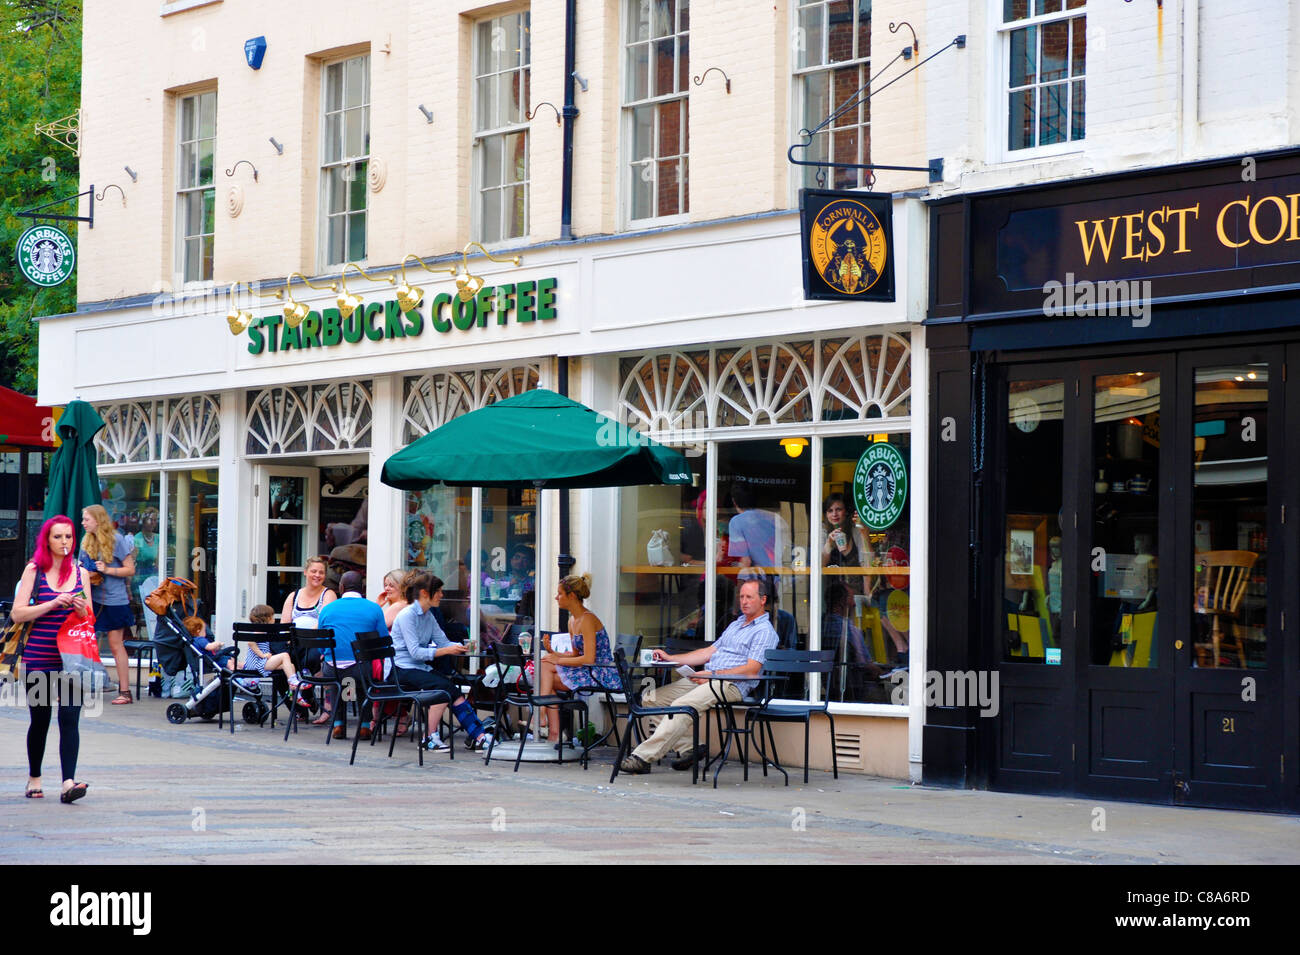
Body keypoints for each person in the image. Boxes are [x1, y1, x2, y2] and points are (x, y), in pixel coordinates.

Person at [619, 578, 779, 775]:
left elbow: (751, 670)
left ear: (762, 600)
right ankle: (689, 748)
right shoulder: (737, 624)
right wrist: (672, 658)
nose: (744, 601)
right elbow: (708, 652)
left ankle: (643, 757)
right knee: (651, 698)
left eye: (749, 597)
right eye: (741, 597)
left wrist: (712, 675)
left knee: (684, 703)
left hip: (731, 684)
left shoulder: (764, 631)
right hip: (709, 679)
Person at [12, 516, 92, 803]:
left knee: (70, 717)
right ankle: (34, 776)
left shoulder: (81, 573)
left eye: (69, 537)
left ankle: (68, 782)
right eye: (58, 537)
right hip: (40, 656)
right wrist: (52, 603)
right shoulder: (34, 570)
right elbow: (17, 613)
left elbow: (88, 616)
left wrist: (81, 608)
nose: (64, 543)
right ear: (47, 540)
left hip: (72, 658)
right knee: (41, 719)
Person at [390, 573, 492, 752]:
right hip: (401, 668)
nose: (441, 595)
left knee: (452, 689)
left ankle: (479, 736)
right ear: (423, 593)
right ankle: (428, 738)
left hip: (418, 667)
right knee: (442, 689)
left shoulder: (427, 615)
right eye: (438, 591)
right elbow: (415, 652)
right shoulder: (407, 615)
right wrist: (446, 650)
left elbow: (443, 641)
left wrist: (461, 647)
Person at [536, 573, 619, 748]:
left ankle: (542, 717)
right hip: (586, 670)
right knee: (546, 671)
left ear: (571, 596)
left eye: (560, 594)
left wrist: (557, 659)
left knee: (546, 669)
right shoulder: (572, 620)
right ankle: (552, 732)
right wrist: (552, 652)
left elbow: (589, 658)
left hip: (600, 672)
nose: (556, 597)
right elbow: (575, 653)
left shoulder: (587, 619)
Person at [317, 571, 387, 740]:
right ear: (362, 588)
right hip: (361, 668)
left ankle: (338, 725)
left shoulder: (327, 609)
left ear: (341, 587)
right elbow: (383, 640)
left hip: (332, 670)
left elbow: (320, 644)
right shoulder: (373, 608)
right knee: (364, 683)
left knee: (336, 680)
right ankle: (364, 726)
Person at [80, 504, 136, 705]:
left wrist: (107, 570)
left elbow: (130, 569)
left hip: (114, 600)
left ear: (98, 520)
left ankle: (125, 691)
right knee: (83, 644)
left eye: (86, 519)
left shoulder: (117, 540)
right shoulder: (86, 541)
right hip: (91, 599)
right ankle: (79, 687)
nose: (83, 523)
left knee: (115, 645)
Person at [280, 556, 337, 673]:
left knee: (309, 659)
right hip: (293, 642)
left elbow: (323, 622)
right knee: (280, 656)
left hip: (316, 642)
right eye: (313, 571)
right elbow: (284, 625)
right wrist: (291, 639)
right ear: (305, 572)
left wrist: (302, 638)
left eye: (321, 572)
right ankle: (290, 688)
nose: (317, 575)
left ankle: (305, 689)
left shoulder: (328, 594)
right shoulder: (293, 596)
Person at [237, 605, 306, 697]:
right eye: (272, 617)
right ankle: (293, 682)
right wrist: (262, 655)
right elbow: (250, 642)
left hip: (261, 663)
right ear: (267, 618)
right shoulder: (259, 630)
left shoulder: (263, 631)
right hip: (257, 663)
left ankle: (293, 693)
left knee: (290, 665)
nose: (274, 619)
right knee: (285, 655)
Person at [821, 493, 870, 596]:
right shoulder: (823, 532)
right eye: (830, 511)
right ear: (825, 514)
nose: (834, 514)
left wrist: (867, 593)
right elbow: (819, 565)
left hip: (856, 593)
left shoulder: (855, 530)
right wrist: (828, 544)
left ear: (846, 511)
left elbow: (867, 563)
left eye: (838, 509)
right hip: (831, 596)